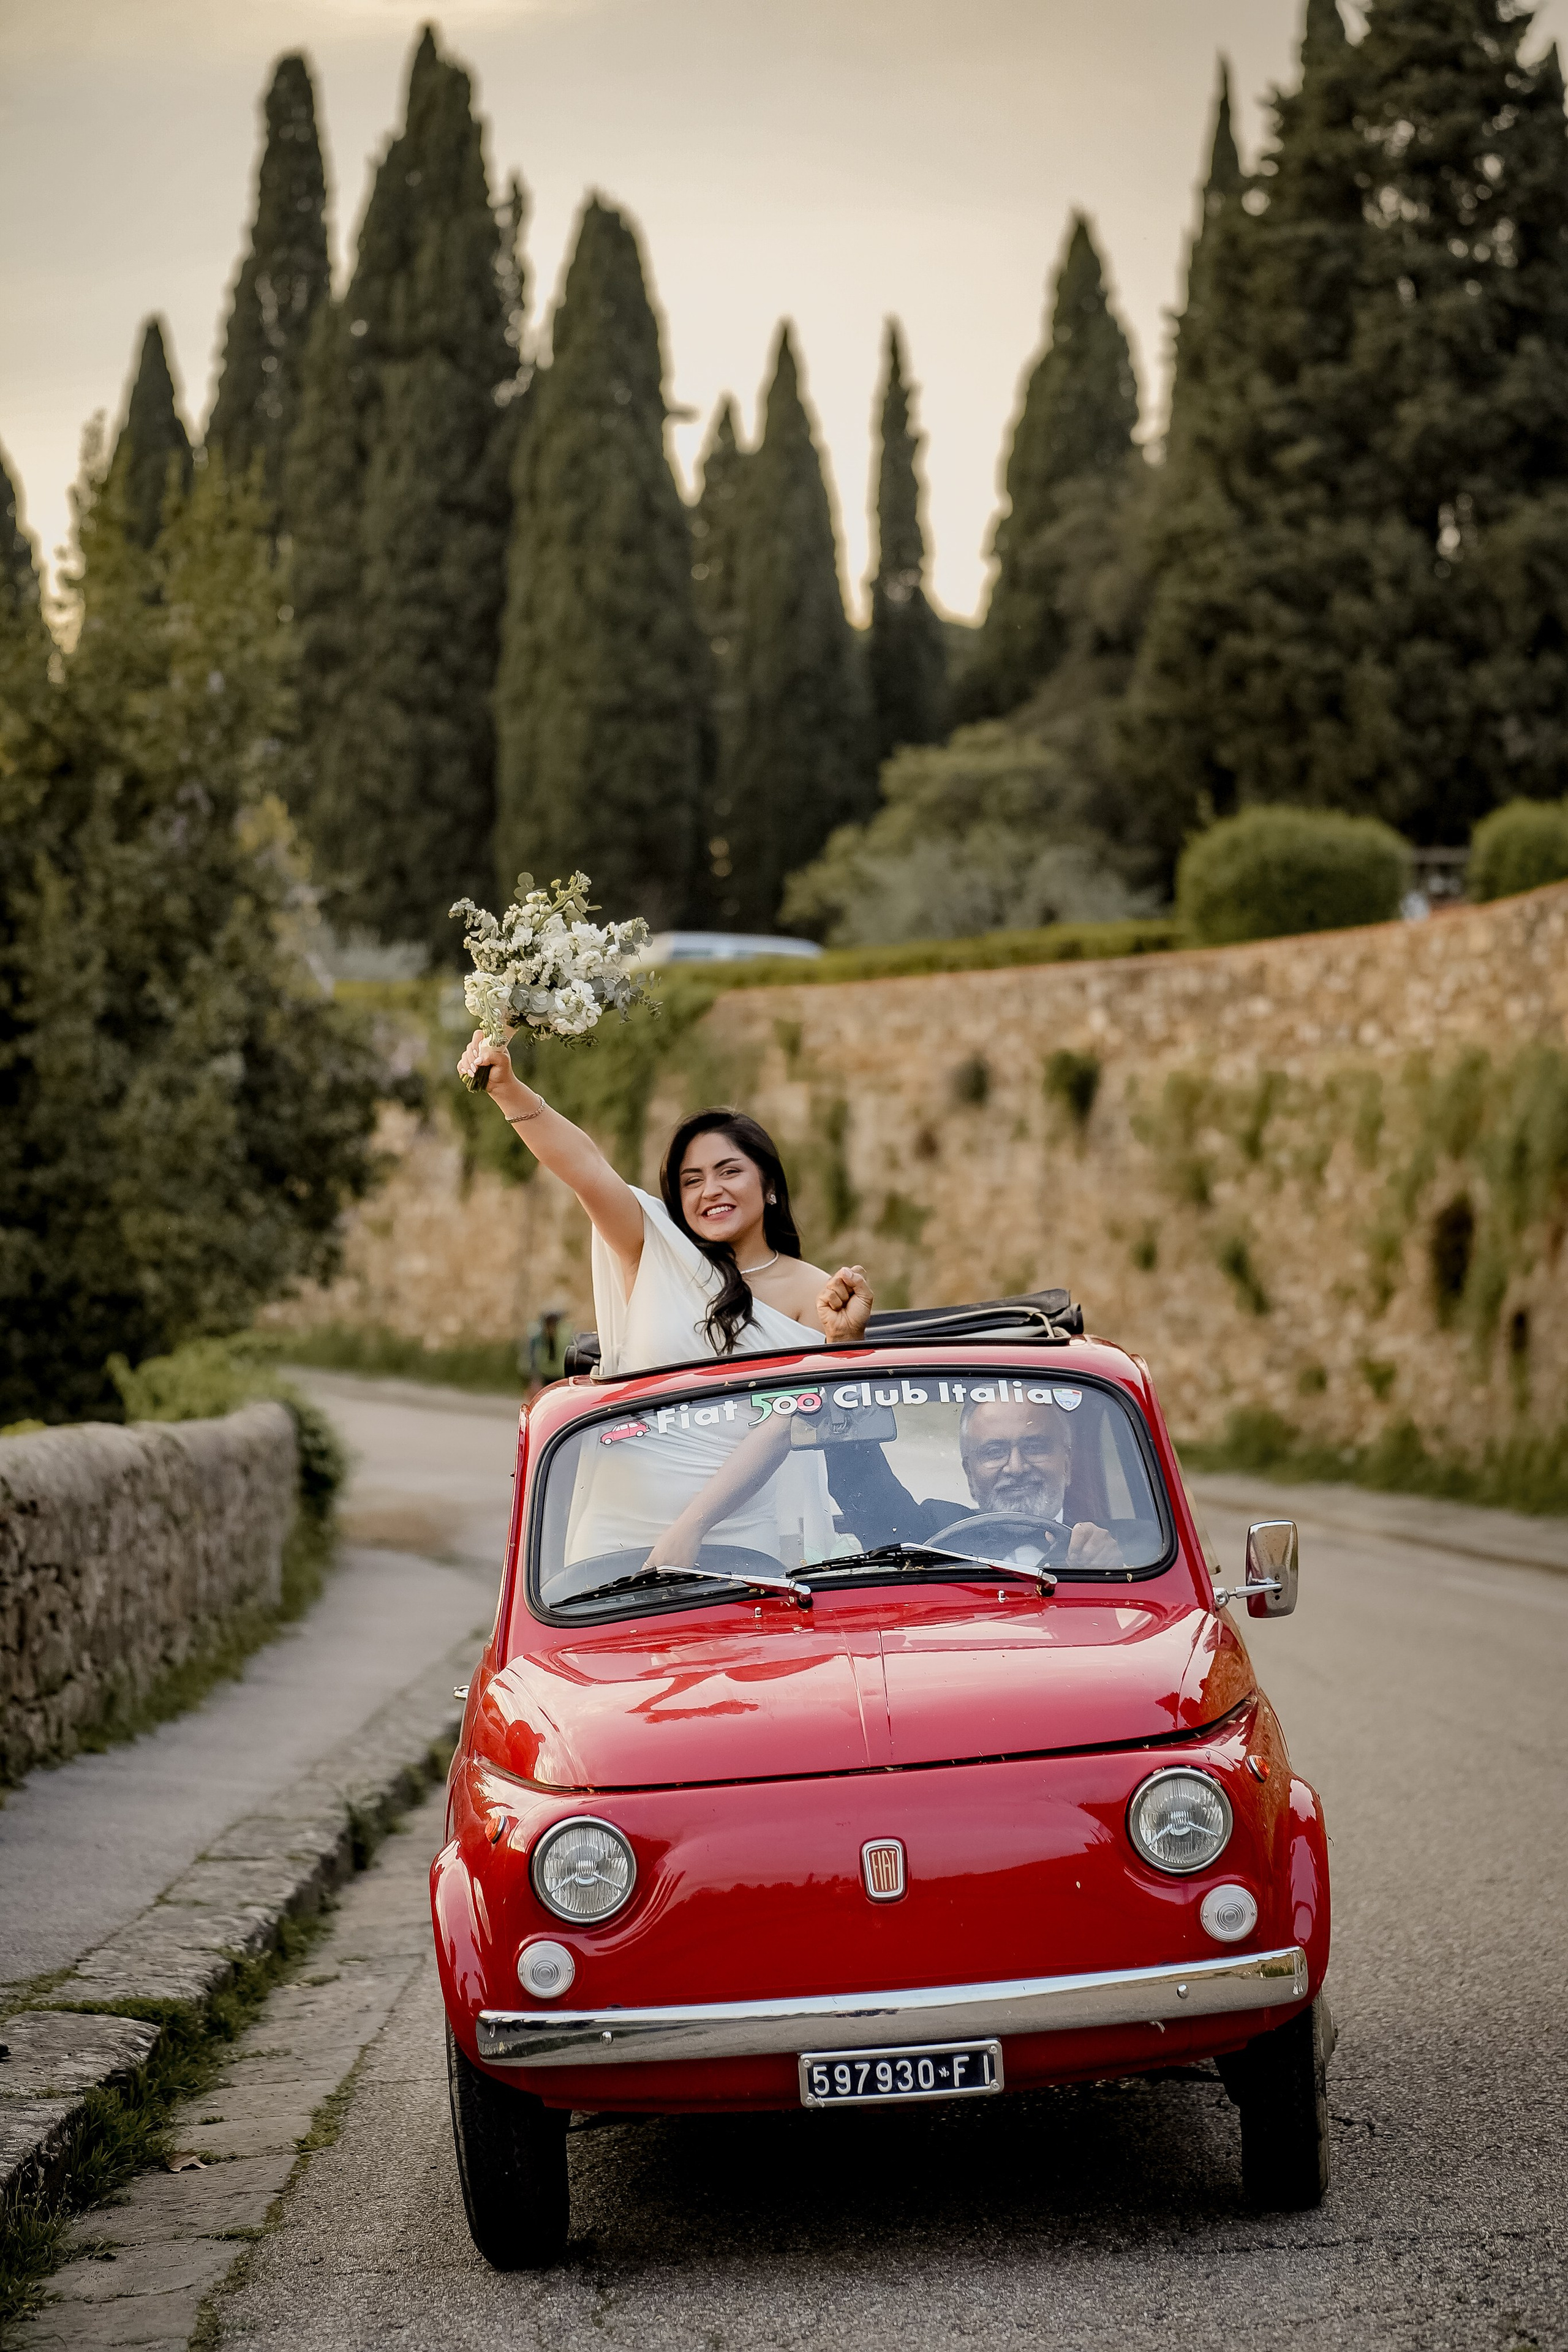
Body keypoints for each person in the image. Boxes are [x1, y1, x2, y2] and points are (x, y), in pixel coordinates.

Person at [458, 1035, 873, 1370]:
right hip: (638, 1471)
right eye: (692, 1181)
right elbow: (586, 1167)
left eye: (729, 1172)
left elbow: (823, 1418)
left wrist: (846, 1343)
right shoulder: (652, 1247)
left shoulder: (819, 1293)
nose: (710, 1190)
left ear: (770, 1187)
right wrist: (506, 1089)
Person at [825, 1393, 1121, 1568]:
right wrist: (843, 1352)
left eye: (1035, 1447)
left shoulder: (1133, 1547)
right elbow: (861, 1482)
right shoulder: (930, 1534)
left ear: (1068, 1465)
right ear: (969, 1474)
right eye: (995, 1452)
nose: (1015, 1468)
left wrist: (1114, 1570)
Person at [522, 1306, 573, 1394]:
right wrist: (534, 1377)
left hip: (561, 1374)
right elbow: (532, 1356)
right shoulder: (537, 1337)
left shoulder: (565, 1336)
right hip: (544, 1374)